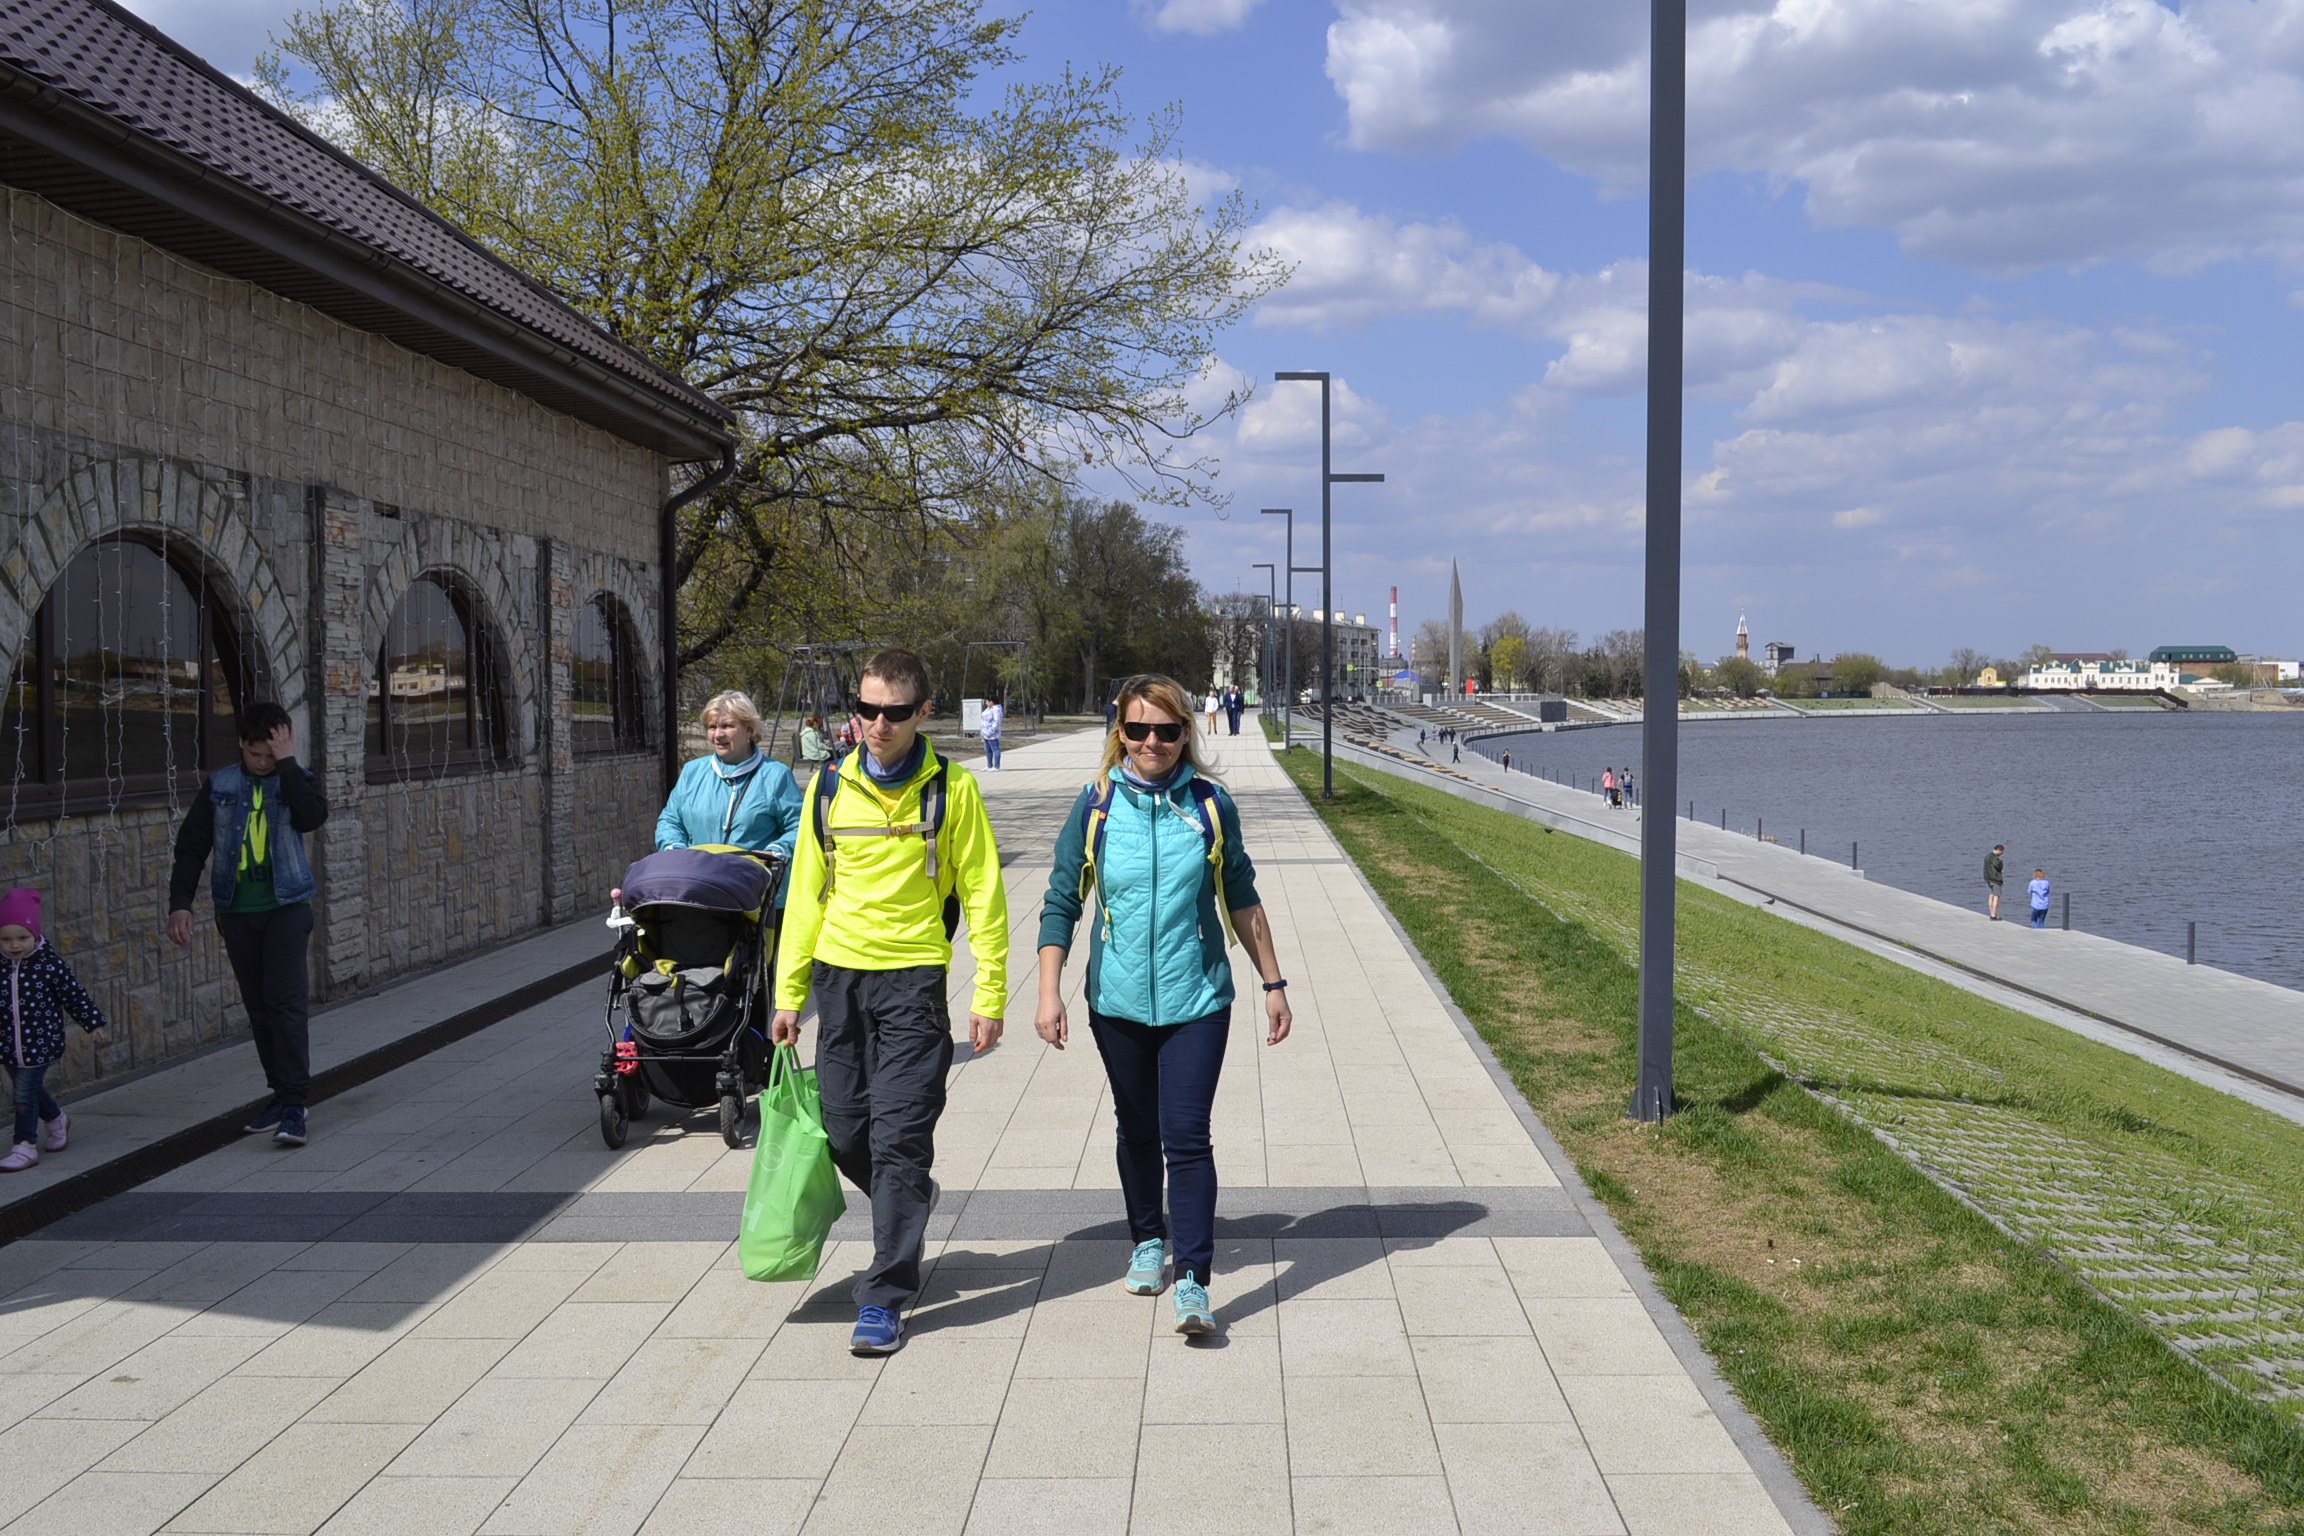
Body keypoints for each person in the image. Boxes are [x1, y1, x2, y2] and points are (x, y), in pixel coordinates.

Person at [1035, 674, 1290, 1334]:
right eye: (1139, 729)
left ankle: (1194, 1280)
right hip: (1115, 1000)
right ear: (1120, 732)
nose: (1153, 742)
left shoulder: (1209, 804)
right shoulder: (1095, 805)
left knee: (1187, 1137)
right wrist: (1048, 991)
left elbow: (1241, 892)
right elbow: (1063, 898)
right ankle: (1148, 1239)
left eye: (1168, 731)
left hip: (1197, 996)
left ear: (1186, 733)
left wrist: (1273, 983)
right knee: (1136, 1127)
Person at [772, 649, 1007, 1357]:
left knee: (900, 1135)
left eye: (894, 713)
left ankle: (885, 1296)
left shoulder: (952, 790)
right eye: (866, 709)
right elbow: (806, 896)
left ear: (922, 713)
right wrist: (788, 992)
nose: (877, 724)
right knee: (846, 1131)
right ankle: (908, 1199)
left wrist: (989, 991)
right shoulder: (827, 788)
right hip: (838, 985)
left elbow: (985, 896)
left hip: (913, 983)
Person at [166, 702, 328, 1147]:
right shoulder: (220, 785)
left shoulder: (294, 778)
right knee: (259, 1008)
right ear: (241, 743)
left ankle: (295, 1105)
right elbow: (192, 846)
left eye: (271, 754)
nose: (263, 762)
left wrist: (288, 763)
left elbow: (313, 817)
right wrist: (180, 903)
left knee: (285, 1003)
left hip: (287, 908)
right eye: (257, 754)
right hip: (236, 912)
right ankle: (279, 1093)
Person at [657, 691, 804, 932]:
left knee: (758, 967)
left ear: (749, 730)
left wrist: (774, 852)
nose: (718, 734)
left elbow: (799, 827)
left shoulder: (776, 776)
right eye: (712, 727)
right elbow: (671, 820)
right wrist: (674, 851)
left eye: (727, 726)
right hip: (699, 892)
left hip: (758, 897)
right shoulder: (693, 772)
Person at [0, 888, 110, 1171]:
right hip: (7, 1043)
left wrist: (93, 1023)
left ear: (35, 935)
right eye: (6, 939)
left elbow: (74, 995)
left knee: (23, 1093)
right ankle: (57, 1119)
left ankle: (24, 1145)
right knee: (29, 1089)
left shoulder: (48, 966)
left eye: (22, 938)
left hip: (41, 1041)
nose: (14, 945)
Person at [798, 715, 832, 782]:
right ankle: (830, 771)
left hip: (810, 751)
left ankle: (829, 770)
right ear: (814, 724)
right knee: (832, 754)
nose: (818, 726)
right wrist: (829, 748)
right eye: (817, 724)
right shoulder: (811, 734)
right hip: (812, 753)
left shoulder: (809, 732)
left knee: (831, 753)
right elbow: (818, 745)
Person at [980, 696, 1004, 771]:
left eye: (987, 701)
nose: (986, 703)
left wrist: (991, 731)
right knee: (987, 749)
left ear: (991, 701)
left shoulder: (996, 710)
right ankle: (989, 765)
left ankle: (996, 766)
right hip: (985, 733)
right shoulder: (989, 708)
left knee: (995, 748)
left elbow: (997, 721)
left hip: (992, 734)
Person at [1984, 844, 2005, 920]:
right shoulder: (1994, 859)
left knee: (1991, 895)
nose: (2001, 854)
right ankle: (1993, 915)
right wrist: (2000, 862)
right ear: (1999, 850)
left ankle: (1991, 912)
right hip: (1995, 879)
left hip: (1988, 878)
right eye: (2001, 852)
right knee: (1996, 896)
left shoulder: (1987, 857)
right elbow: (1999, 866)